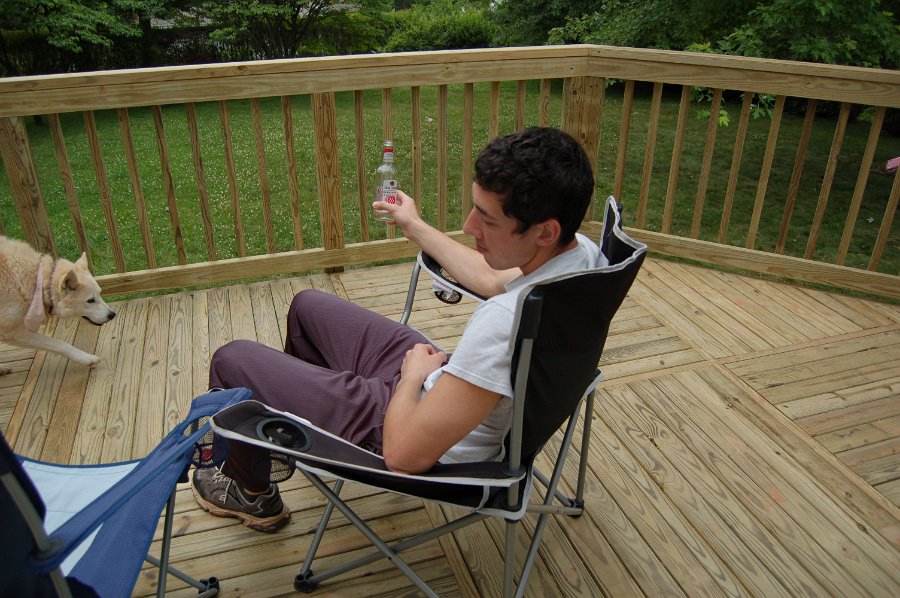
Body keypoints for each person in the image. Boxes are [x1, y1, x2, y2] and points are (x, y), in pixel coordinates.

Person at [190, 127, 599, 532]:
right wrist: (413, 224)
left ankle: (252, 492)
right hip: (443, 385)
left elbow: (403, 455)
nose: (469, 226)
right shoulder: (581, 258)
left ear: (544, 231)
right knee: (308, 308)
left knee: (232, 360)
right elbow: (490, 279)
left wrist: (411, 378)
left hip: (410, 428)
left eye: (488, 220)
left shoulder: (504, 323)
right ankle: (310, 419)